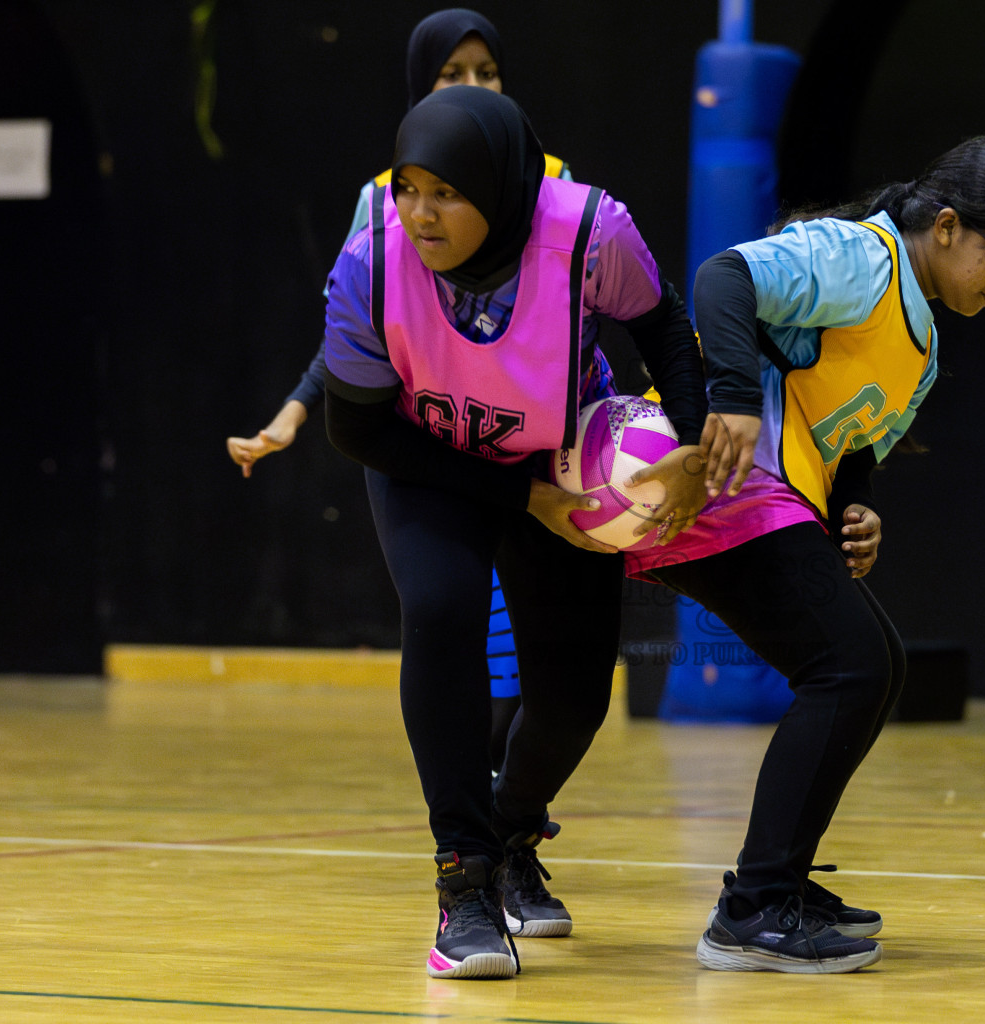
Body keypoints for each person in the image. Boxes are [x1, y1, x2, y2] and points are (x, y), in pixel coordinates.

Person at [628, 135, 985, 973]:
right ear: (945, 227)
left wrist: (853, 509)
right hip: (713, 481)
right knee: (850, 666)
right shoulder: (859, 257)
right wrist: (729, 402)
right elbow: (724, 277)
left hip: (770, 502)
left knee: (875, 666)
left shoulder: (924, 344)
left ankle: (777, 885)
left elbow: (852, 448)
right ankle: (753, 907)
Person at [321, 86, 707, 979]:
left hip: (560, 458)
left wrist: (688, 441)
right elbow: (358, 431)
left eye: (445, 193)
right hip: (425, 462)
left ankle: (509, 833)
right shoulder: (368, 262)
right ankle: (462, 888)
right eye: (408, 186)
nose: (420, 212)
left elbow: (663, 328)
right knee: (444, 607)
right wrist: (508, 493)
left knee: (574, 697)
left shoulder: (589, 233)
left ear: (500, 190)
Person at [225, 9, 568, 764]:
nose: (475, 88)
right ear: (420, 89)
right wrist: (292, 415)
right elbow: (355, 334)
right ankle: (476, 830)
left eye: (487, 73)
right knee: (462, 632)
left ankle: (511, 820)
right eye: (453, 75)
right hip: (432, 450)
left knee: (536, 658)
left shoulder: (554, 184)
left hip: (522, 443)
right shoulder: (381, 199)